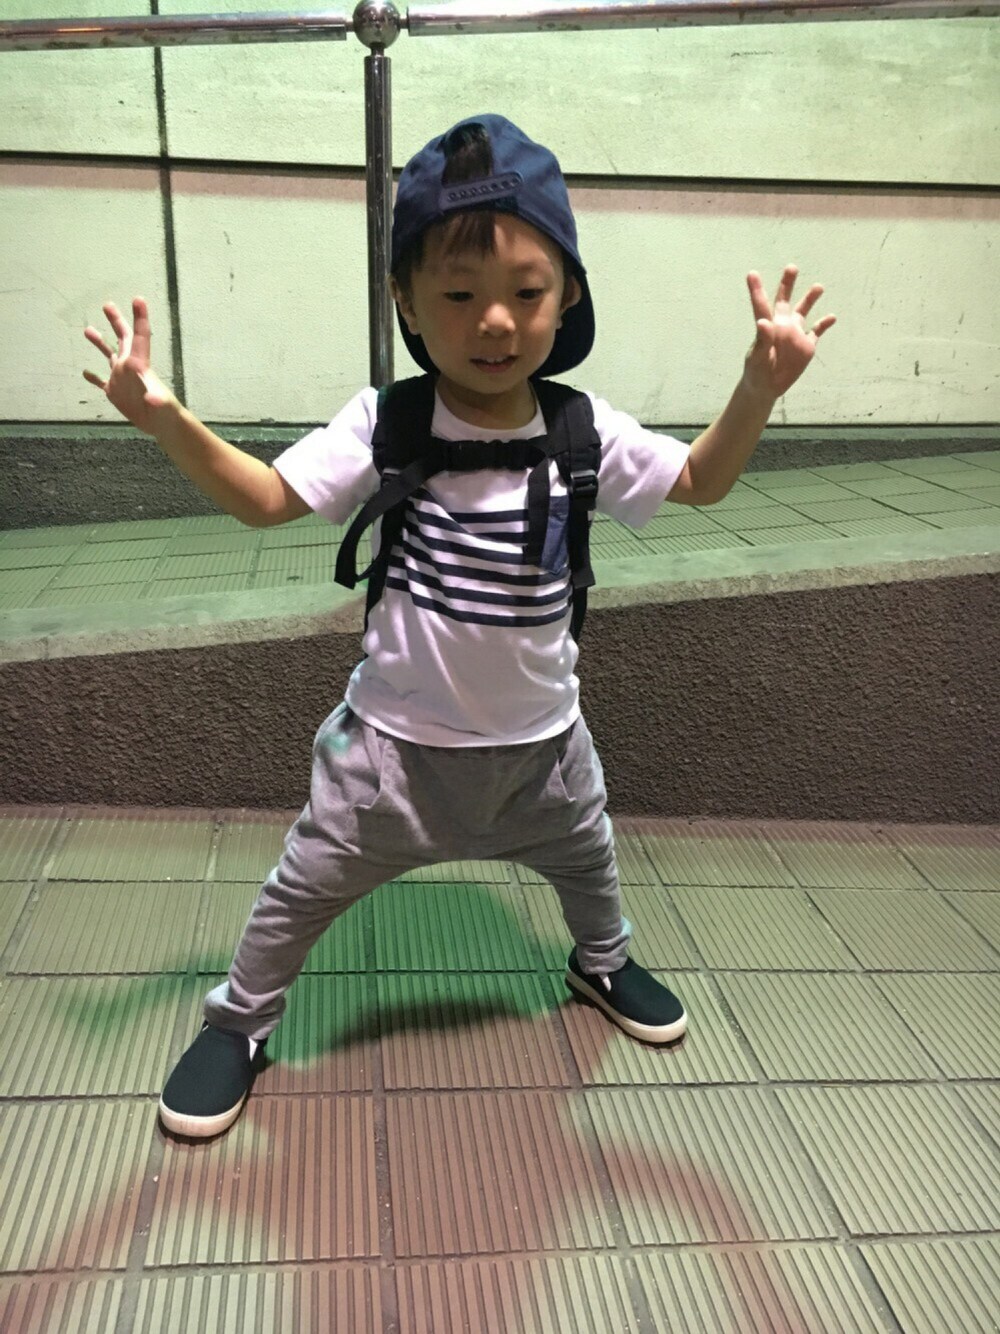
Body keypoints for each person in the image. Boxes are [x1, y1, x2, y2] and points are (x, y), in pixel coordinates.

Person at [83, 114, 835, 1138]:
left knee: (590, 861)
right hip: (391, 756)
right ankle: (240, 1019)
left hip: (542, 750)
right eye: (457, 294)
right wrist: (167, 419)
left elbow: (700, 480)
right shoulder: (387, 423)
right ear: (405, 299)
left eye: (527, 293)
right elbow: (264, 499)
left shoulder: (581, 429)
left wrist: (756, 387)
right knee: (301, 886)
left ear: (568, 295)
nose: (495, 322)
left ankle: (601, 961)